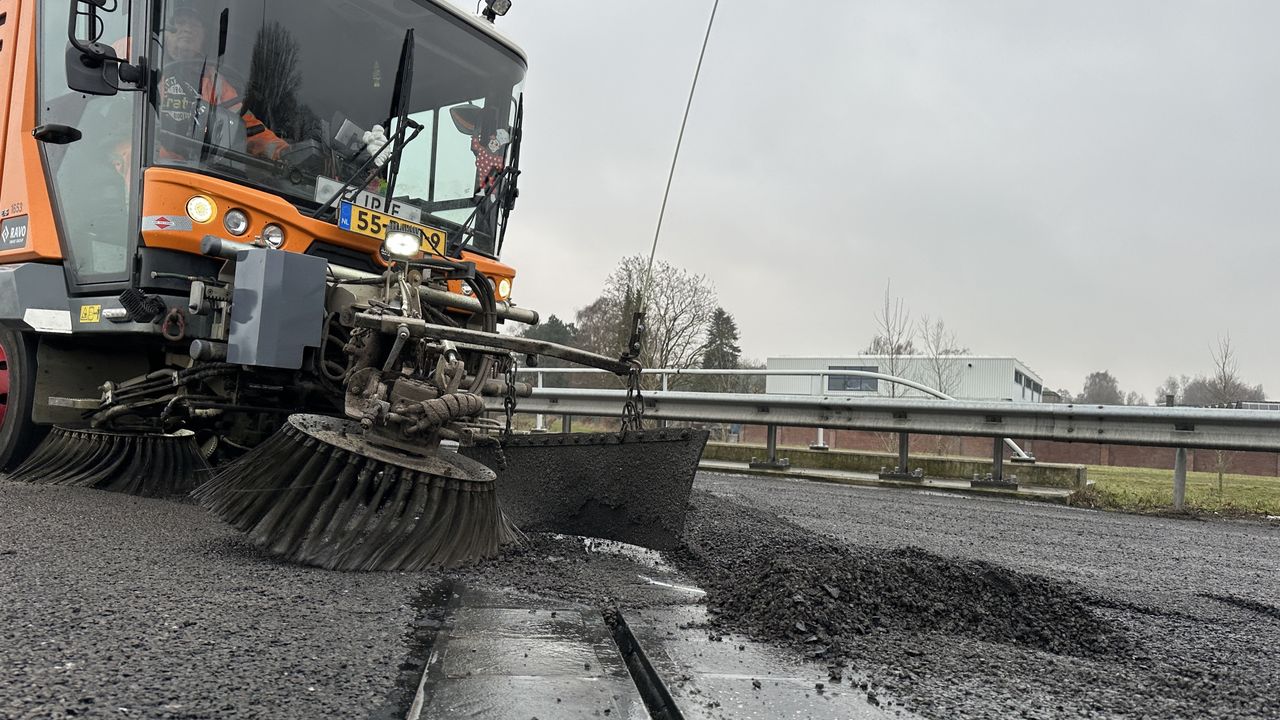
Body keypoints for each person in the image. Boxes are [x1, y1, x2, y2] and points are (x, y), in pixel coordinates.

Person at [157, 1, 289, 162]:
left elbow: (246, 126)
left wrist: (282, 152)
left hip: (200, 168)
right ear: (165, 33)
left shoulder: (215, 82)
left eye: (195, 25)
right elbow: (126, 115)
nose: (187, 29)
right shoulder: (147, 64)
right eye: (180, 23)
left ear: (204, 36)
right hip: (156, 164)